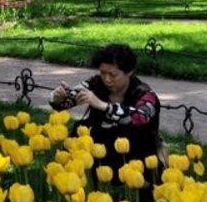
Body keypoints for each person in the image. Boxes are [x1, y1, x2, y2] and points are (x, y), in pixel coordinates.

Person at [50, 43, 162, 171]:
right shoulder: (96, 82)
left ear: (129, 72)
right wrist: (59, 98)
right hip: (98, 148)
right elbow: (71, 98)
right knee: (80, 129)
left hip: (134, 155)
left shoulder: (145, 94)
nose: (107, 79)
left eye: (113, 74)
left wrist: (104, 106)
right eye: (103, 73)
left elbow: (139, 117)